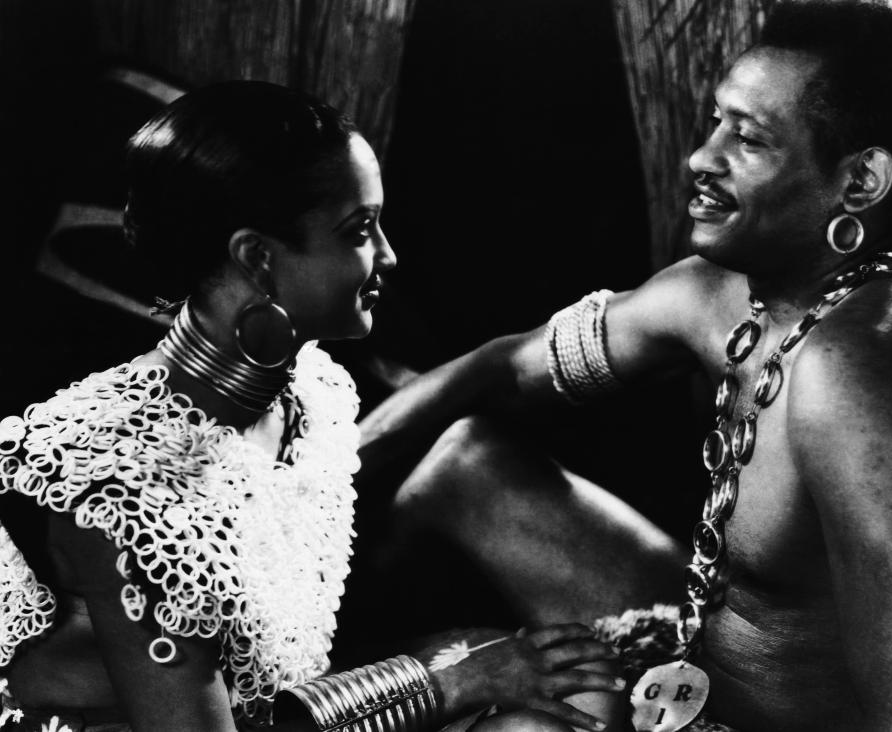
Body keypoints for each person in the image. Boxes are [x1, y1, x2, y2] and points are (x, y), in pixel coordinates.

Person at [359, 2, 892, 730]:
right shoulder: (719, 292)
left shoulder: (864, 372)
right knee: (466, 460)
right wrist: (313, 484)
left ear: (859, 183)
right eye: (717, 122)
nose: (701, 158)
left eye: (747, 138)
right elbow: (505, 370)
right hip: (694, 649)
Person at [0, 81, 625, 732]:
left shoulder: (310, 391)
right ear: (258, 258)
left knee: (583, 690)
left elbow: (276, 644)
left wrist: (456, 657)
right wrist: (445, 681)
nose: (388, 255)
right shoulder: (128, 490)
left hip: (276, 708)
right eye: (359, 231)